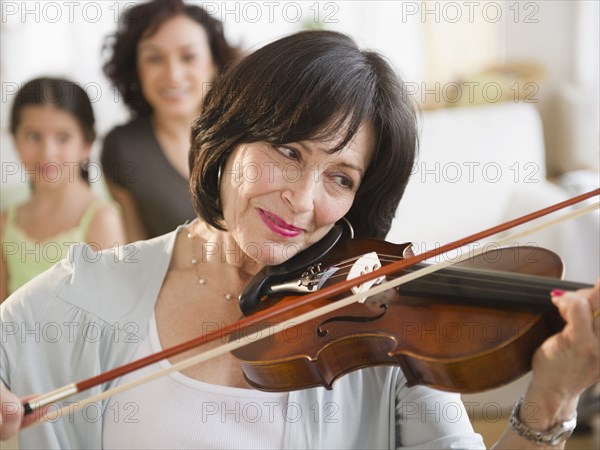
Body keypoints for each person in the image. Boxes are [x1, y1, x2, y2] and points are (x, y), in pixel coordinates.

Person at [1, 31, 599, 449]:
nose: (303, 200)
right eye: (286, 151)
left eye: (339, 178)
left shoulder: (380, 325)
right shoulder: (93, 291)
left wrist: (552, 401)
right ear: (227, 139)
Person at [101, 0, 239, 242]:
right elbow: (135, 254)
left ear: (215, 63)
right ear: (135, 69)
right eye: (154, 59)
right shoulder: (122, 148)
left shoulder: (251, 130)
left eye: (188, 57)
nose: (173, 75)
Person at [0, 77, 125, 302]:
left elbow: (111, 314)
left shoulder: (101, 220)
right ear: (15, 141)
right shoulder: (6, 222)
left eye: (63, 138)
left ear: (86, 144)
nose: (47, 152)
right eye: (33, 136)